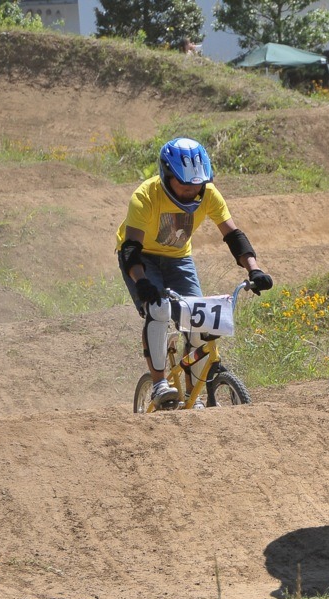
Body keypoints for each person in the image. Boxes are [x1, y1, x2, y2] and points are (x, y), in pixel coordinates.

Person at [116, 138, 273, 409]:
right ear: (166, 175)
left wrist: (254, 269)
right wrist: (141, 282)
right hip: (142, 257)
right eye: (184, 184)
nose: (191, 191)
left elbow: (234, 236)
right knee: (158, 309)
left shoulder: (209, 194)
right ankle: (158, 385)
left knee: (200, 318)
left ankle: (194, 394)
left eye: (197, 184)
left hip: (178, 258)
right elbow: (131, 248)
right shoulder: (145, 196)